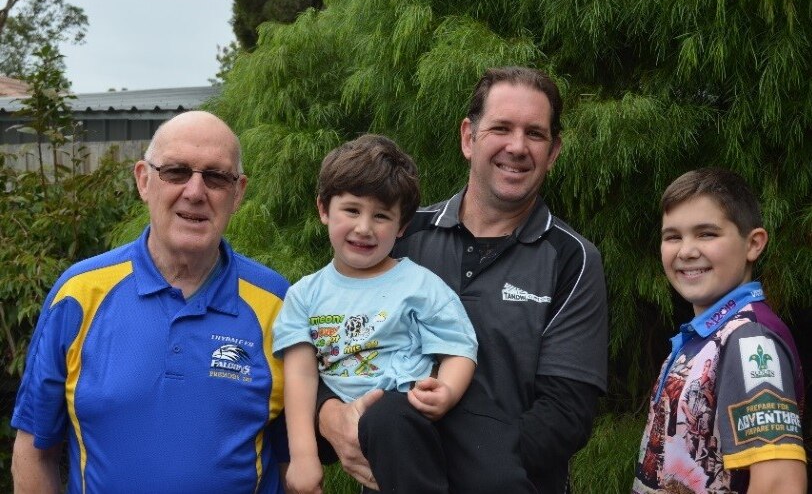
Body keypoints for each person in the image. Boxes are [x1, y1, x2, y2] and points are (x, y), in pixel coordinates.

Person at [317, 66, 609, 493]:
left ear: (554, 150)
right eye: (502, 128)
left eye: (535, 133)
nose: (517, 146)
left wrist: (442, 467)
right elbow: (329, 350)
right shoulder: (397, 235)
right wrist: (330, 417)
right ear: (468, 137)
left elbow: (565, 414)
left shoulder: (572, 259)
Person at [10, 111, 290, 493]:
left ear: (238, 192)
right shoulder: (79, 295)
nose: (195, 191)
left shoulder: (277, 305)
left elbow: (295, 463)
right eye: (176, 171)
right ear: (144, 180)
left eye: (216, 177)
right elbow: (35, 448)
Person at [273, 134, 481, 494]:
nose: (364, 228)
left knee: (390, 422)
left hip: (405, 419)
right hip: (345, 423)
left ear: (402, 226)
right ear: (324, 209)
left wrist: (445, 391)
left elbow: (460, 347)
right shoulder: (304, 295)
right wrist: (304, 456)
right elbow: (301, 378)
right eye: (352, 210)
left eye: (381, 216)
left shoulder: (418, 285)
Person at [632, 168, 806, 493]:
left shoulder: (749, 339)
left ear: (753, 244)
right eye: (673, 236)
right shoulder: (707, 336)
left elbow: (780, 483)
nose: (686, 251)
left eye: (706, 234)